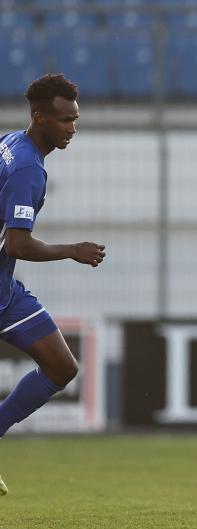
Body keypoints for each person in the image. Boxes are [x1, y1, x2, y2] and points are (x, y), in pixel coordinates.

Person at [0, 74, 107, 496]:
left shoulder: (12, 142)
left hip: (5, 288)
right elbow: (18, 242)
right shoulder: (27, 166)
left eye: (75, 120)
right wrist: (71, 250)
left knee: (62, 366)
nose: (72, 129)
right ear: (40, 117)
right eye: (64, 121)